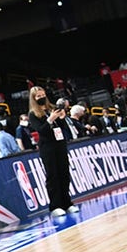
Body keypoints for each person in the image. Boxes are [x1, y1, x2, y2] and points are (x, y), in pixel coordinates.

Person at [28, 86, 78, 218]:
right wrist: (50, 119)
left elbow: (63, 128)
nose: (41, 97)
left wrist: (61, 118)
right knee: (53, 175)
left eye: (43, 95)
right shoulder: (33, 114)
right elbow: (42, 130)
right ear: (33, 99)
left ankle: (67, 202)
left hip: (60, 144)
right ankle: (55, 205)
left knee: (64, 173)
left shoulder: (51, 107)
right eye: (38, 96)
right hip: (47, 147)